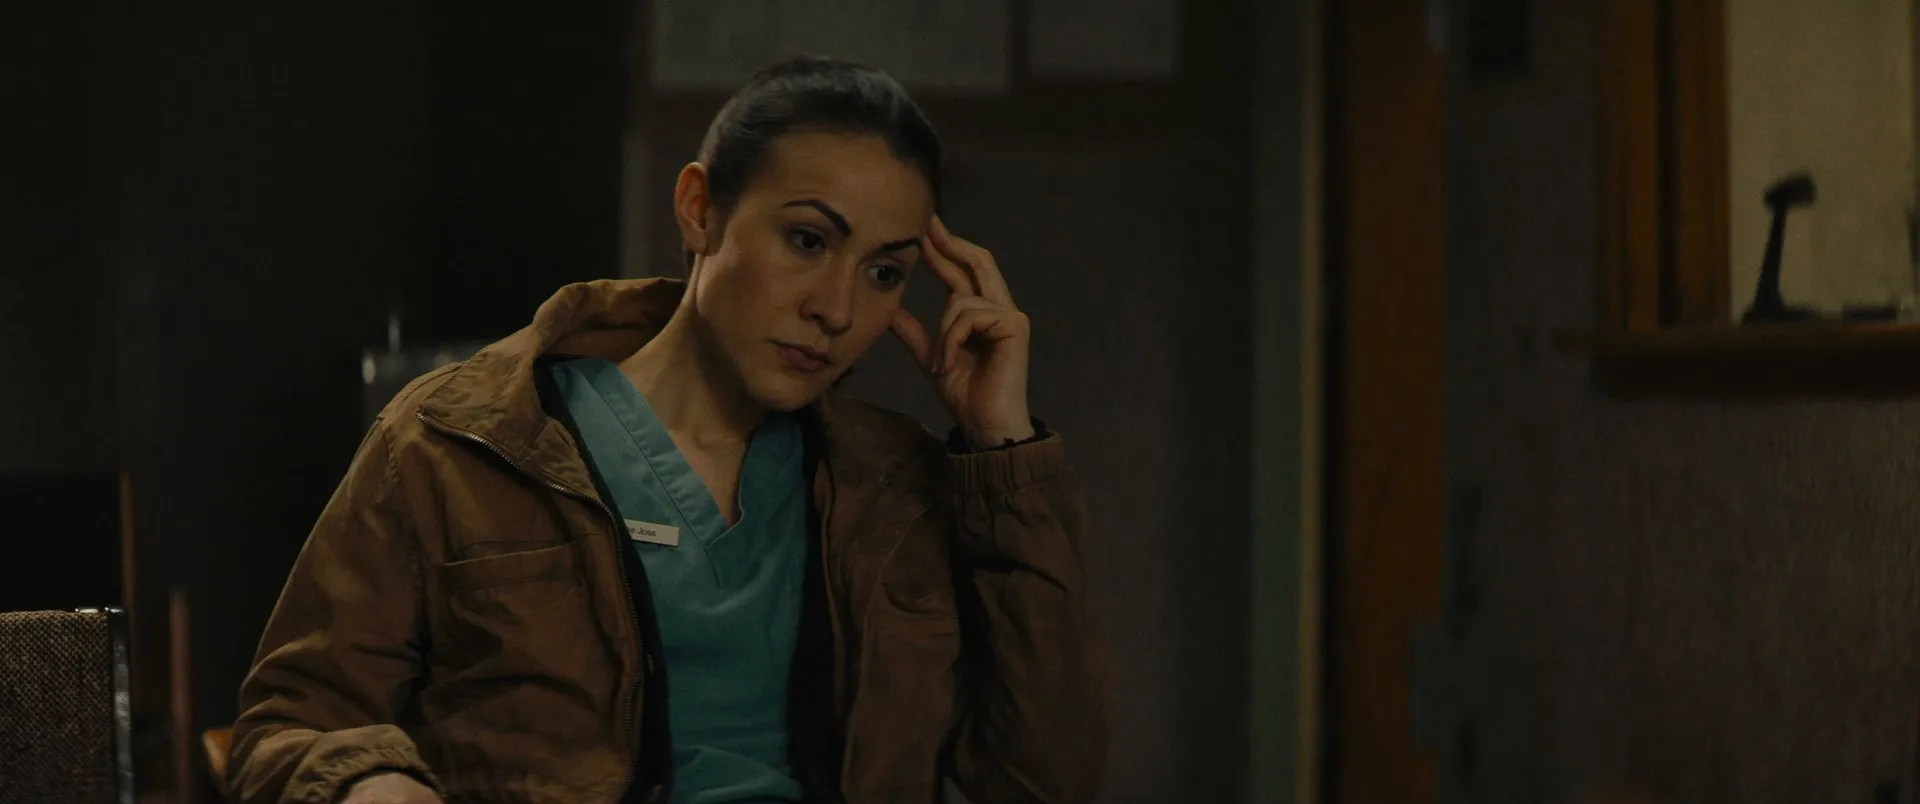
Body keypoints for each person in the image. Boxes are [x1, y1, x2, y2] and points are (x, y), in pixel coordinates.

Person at [228, 56, 1112, 804]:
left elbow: (1045, 780)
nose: (838, 309)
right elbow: (291, 722)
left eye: (885, 272)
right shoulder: (464, 442)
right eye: (808, 240)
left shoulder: (898, 488)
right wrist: (368, 784)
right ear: (699, 209)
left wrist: (1004, 447)